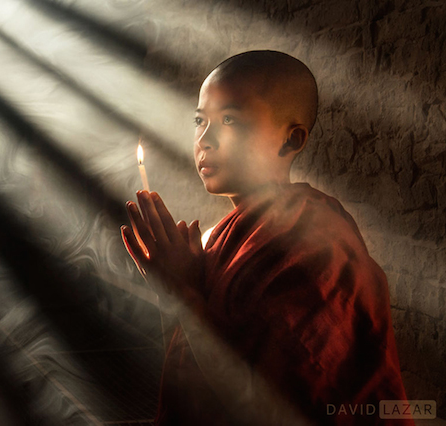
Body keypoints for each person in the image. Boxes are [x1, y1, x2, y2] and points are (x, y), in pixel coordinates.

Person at [121, 50, 412, 425]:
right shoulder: (220, 238)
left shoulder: (314, 242)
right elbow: (187, 368)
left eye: (229, 119)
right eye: (199, 120)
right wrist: (174, 288)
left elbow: (275, 406)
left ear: (291, 141)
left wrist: (185, 294)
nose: (204, 140)